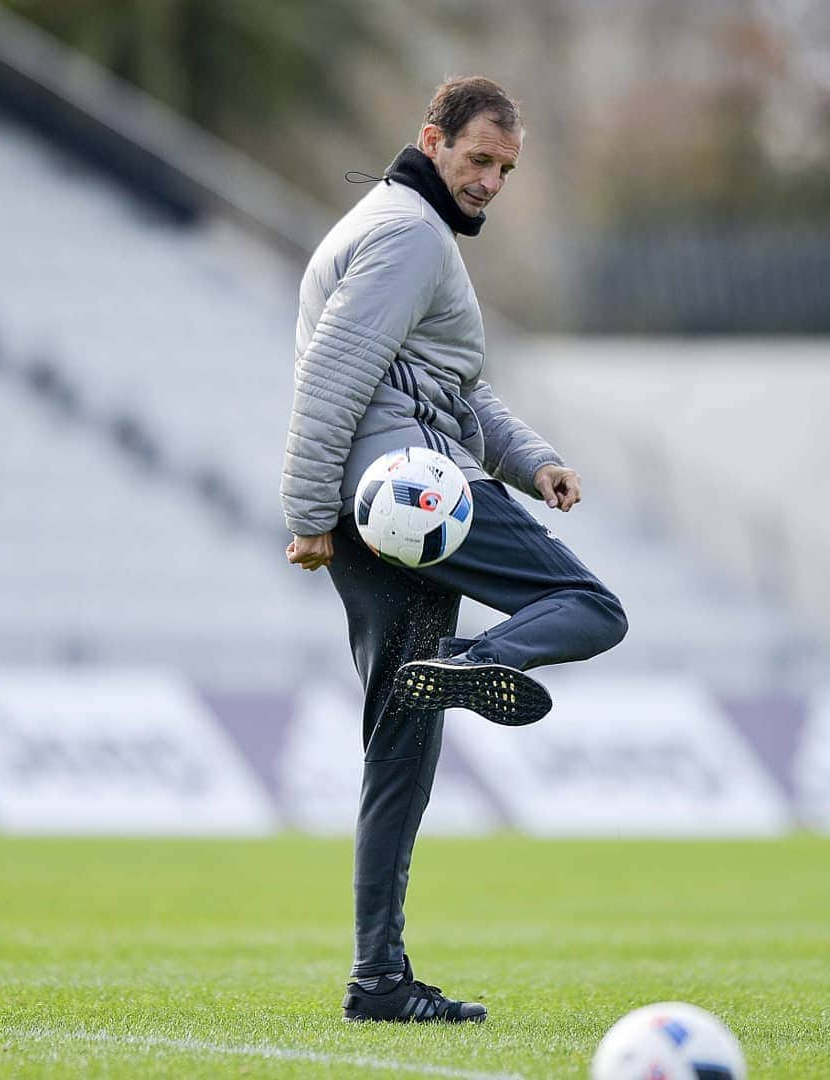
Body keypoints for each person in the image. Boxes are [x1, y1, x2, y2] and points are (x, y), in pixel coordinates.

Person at [279, 76, 627, 1024]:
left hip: (373, 507)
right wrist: (304, 508)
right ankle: (468, 663)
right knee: (594, 608)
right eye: (478, 160)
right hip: (410, 490)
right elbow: (334, 376)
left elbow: (449, 389)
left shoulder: (393, 224)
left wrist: (532, 459)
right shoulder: (407, 234)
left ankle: (377, 981)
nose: (491, 182)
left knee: (398, 749)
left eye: (506, 169)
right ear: (431, 139)